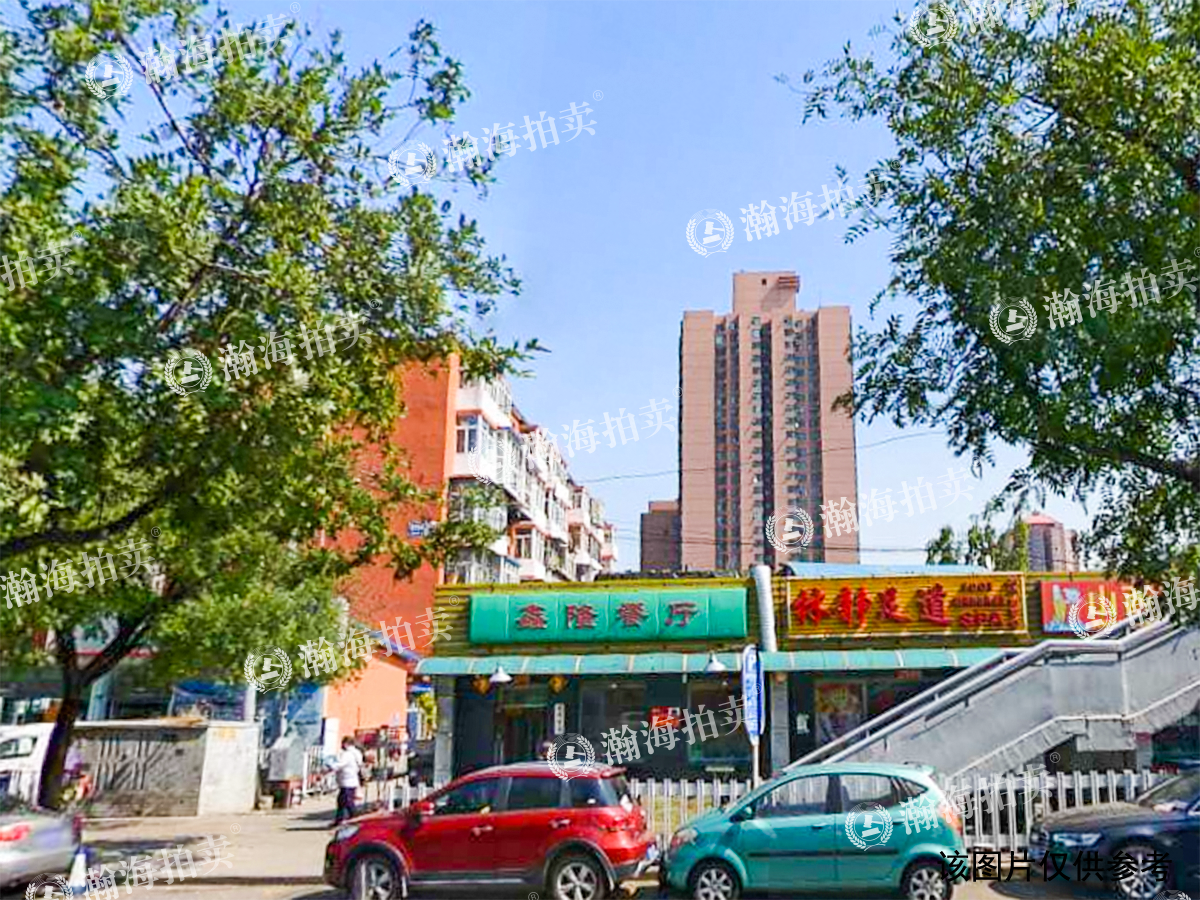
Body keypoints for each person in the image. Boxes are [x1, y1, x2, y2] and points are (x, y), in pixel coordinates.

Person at [331, 736, 364, 826]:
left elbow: (340, 764)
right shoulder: (357, 753)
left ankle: (355, 819)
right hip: (352, 780)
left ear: (346, 744)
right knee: (342, 801)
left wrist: (331, 766)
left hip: (346, 781)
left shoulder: (347, 754)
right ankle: (339, 820)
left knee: (348, 802)